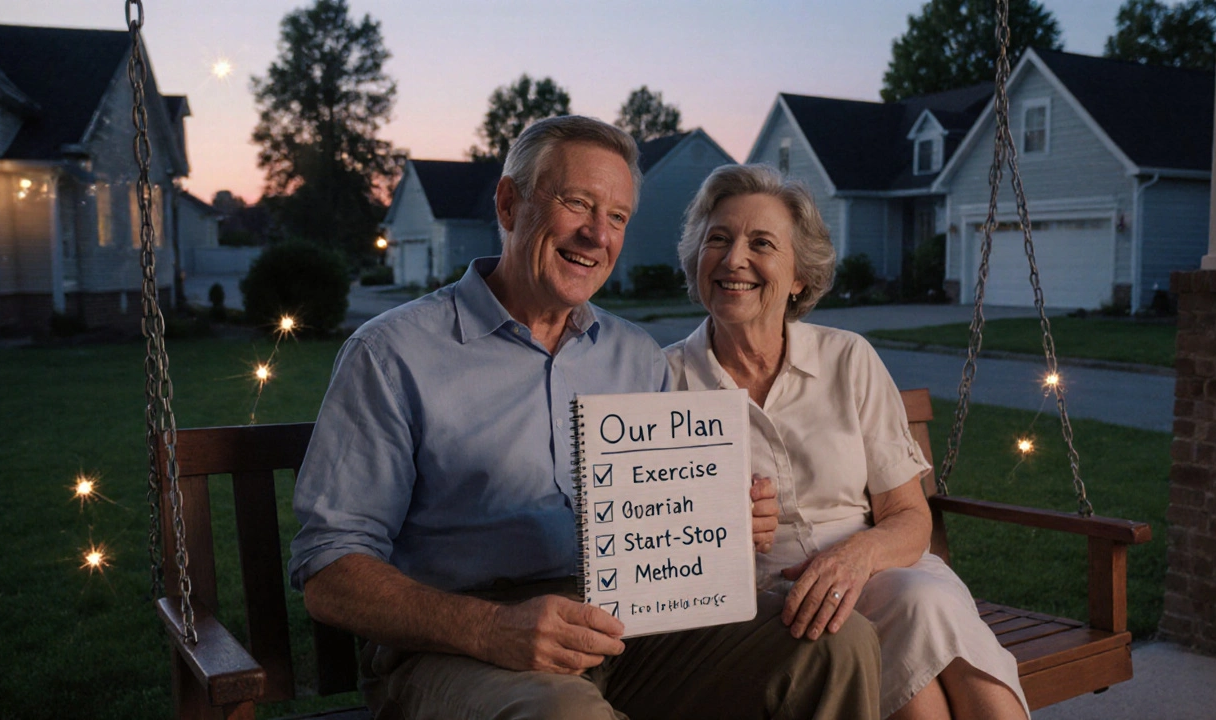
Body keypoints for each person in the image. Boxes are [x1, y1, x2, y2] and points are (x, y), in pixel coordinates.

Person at [288, 117, 882, 720]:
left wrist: (723, 520)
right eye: (577, 203)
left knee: (836, 645)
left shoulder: (636, 357)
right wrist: (491, 628)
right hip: (460, 646)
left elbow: (662, 517)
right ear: (508, 203)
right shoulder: (392, 353)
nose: (598, 234)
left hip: (629, 624)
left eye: (617, 217)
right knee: (564, 715)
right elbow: (329, 568)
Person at [665, 164, 1031, 720]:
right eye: (718, 239)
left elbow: (909, 516)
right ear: (697, 258)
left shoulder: (848, 358)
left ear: (798, 277)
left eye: (761, 243)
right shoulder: (664, 380)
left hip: (880, 569)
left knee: (923, 600)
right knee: (910, 649)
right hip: (766, 606)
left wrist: (855, 559)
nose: (734, 258)